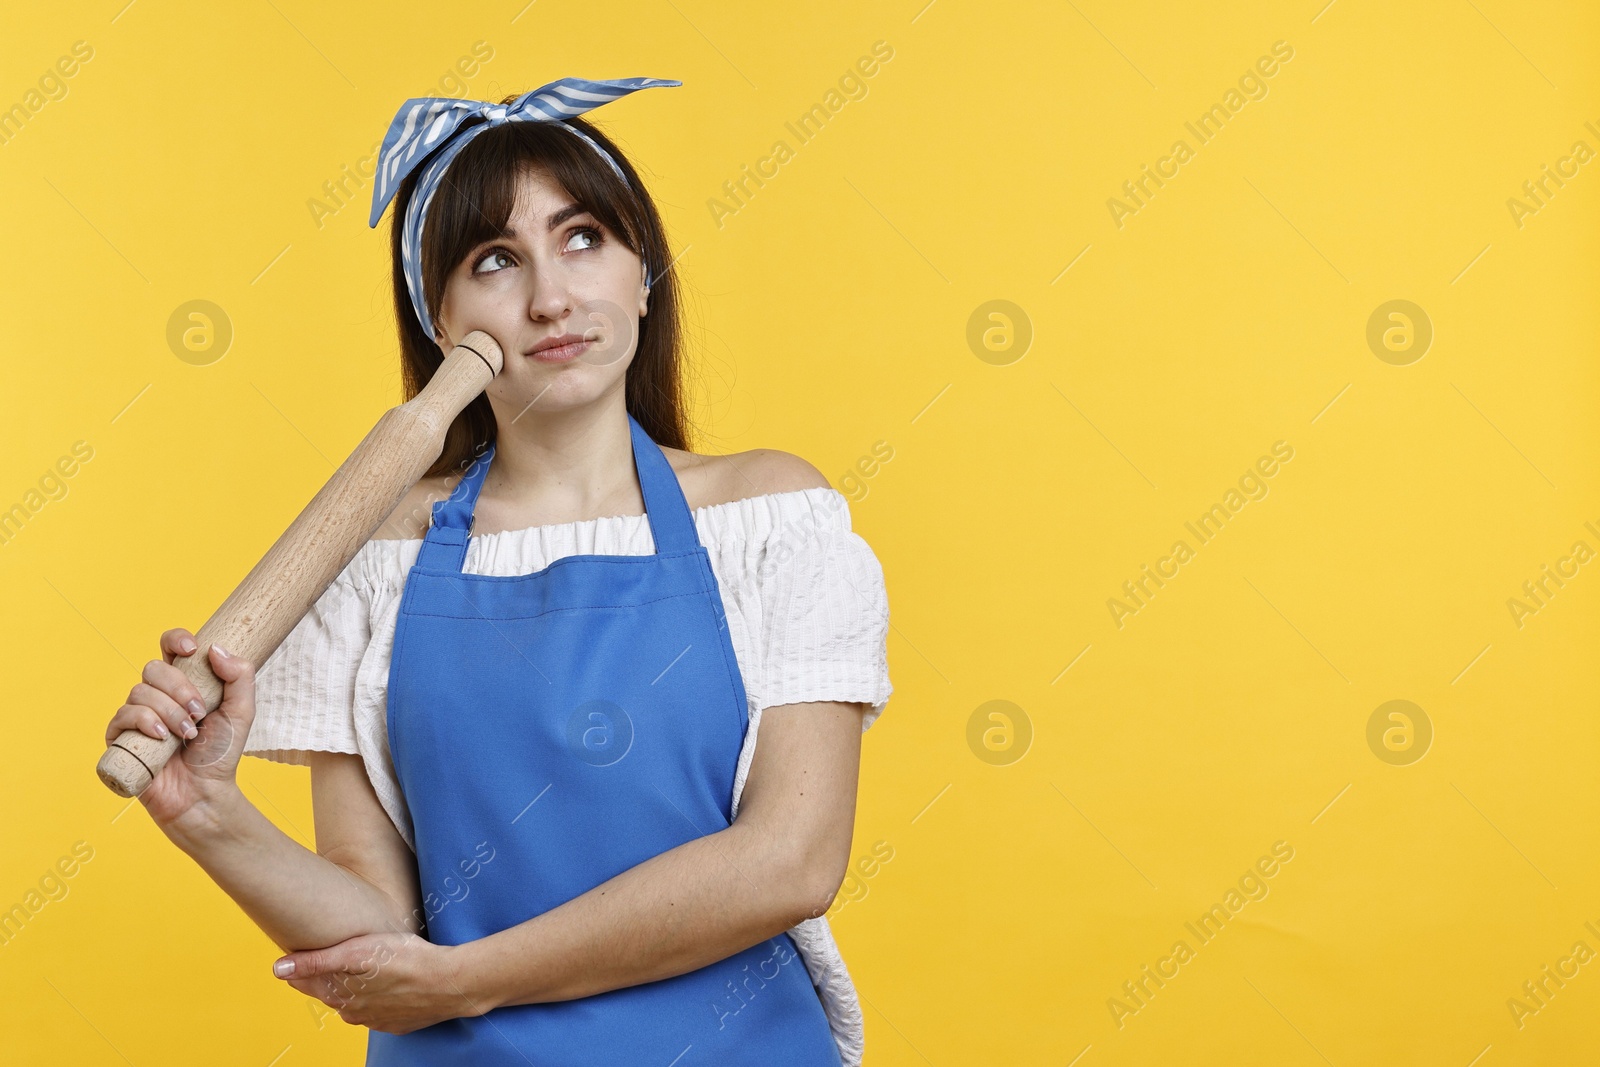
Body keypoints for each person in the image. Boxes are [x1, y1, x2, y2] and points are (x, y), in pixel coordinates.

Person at [102, 79, 892, 1066]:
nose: (550, 297)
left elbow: (789, 860)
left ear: (642, 272)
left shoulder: (769, 518)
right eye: (495, 260)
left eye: (581, 239)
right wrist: (206, 811)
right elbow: (371, 922)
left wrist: (471, 976)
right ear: (440, 317)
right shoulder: (374, 563)